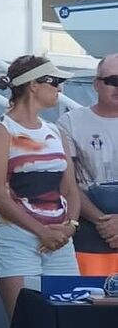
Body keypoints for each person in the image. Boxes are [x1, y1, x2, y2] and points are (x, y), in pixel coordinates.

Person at [0, 55, 81, 320]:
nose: (60, 88)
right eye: (55, 81)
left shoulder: (56, 131)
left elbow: (70, 188)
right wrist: (41, 232)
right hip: (16, 240)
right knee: (27, 326)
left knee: (67, 323)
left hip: (59, 240)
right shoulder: (0, 131)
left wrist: (70, 226)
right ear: (33, 85)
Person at [55, 53, 118, 276]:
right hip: (90, 232)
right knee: (90, 303)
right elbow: (67, 182)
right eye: (113, 81)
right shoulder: (71, 122)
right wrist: (104, 222)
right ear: (96, 84)